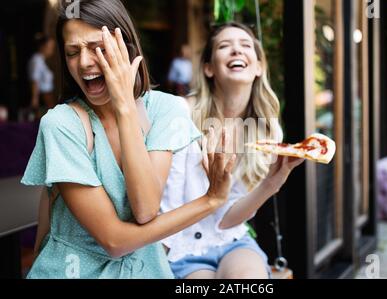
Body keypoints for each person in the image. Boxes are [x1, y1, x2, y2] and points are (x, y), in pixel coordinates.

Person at [21, 0, 235, 279]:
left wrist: (124, 108)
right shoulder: (60, 124)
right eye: (73, 52)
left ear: (128, 49)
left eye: (98, 47)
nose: (84, 62)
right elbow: (115, 242)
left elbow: (145, 209)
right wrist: (210, 201)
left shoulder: (165, 109)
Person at [160, 22, 304, 279]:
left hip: (231, 242)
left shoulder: (268, 132)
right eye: (225, 46)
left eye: (246, 45)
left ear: (259, 67)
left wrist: (272, 183)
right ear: (209, 68)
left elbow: (226, 220)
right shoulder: (180, 113)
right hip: (179, 248)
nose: (237, 50)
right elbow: (167, 205)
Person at [28, 33, 56, 117]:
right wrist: (35, 99)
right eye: (50, 47)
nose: (52, 50)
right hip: (43, 96)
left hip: (48, 96)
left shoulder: (42, 60)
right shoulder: (37, 60)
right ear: (43, 46)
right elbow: (35, 80)